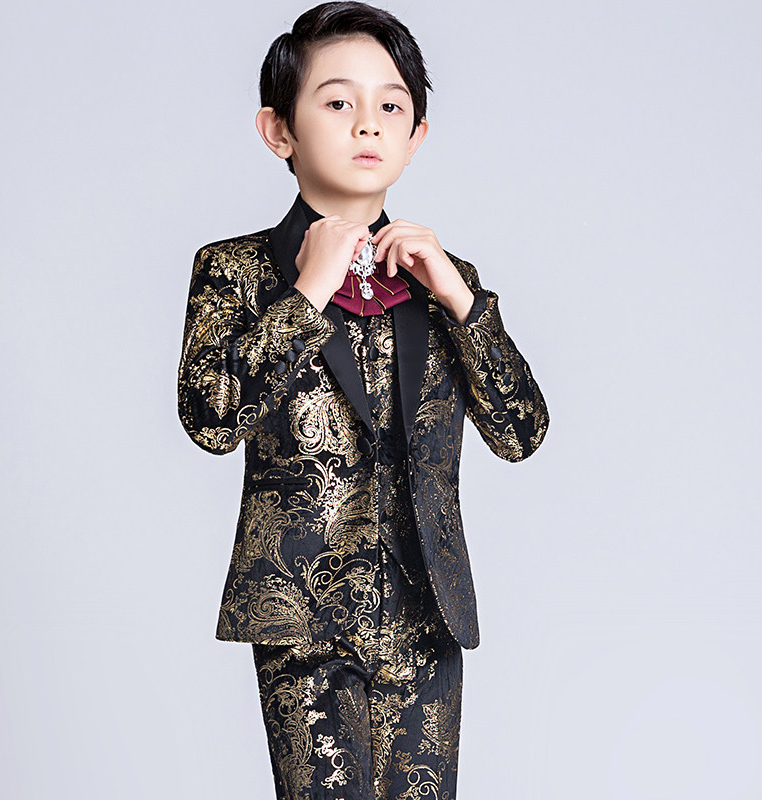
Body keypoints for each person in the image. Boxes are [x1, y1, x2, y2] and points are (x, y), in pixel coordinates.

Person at [177, 2, 549, 798]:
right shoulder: (236, 270)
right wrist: (307, 292)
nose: (367, 124)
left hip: (428, 610)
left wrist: (462, 301)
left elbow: (521, 433)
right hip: (301, 613)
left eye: (391, 106)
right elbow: (211, 419)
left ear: (416, 136)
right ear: (279, 130)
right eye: (338, 101)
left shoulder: (445, 280)